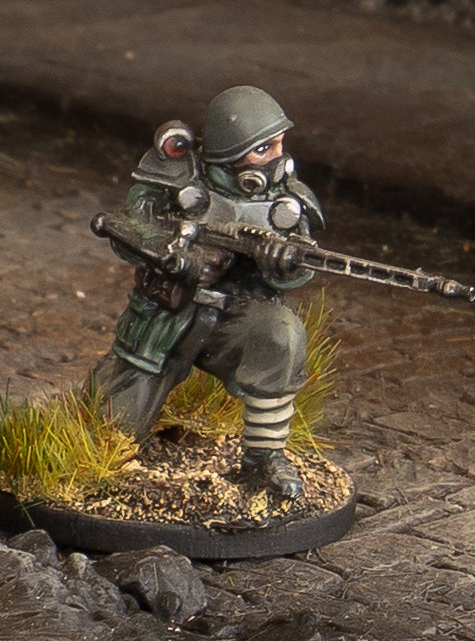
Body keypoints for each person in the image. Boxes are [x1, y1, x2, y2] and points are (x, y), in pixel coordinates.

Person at [88, 85, 317, 503]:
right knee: (107, 434)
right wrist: (176, 255)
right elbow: (127, 228)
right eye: (263, 149)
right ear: (231, 152)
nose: (277, 156)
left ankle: (263, 457)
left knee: (281, 335)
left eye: (279, 144)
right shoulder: (176, 177)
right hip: (165, 321)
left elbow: (299, 270)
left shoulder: (283, 199)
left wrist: (281, 264)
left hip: (235, 318)